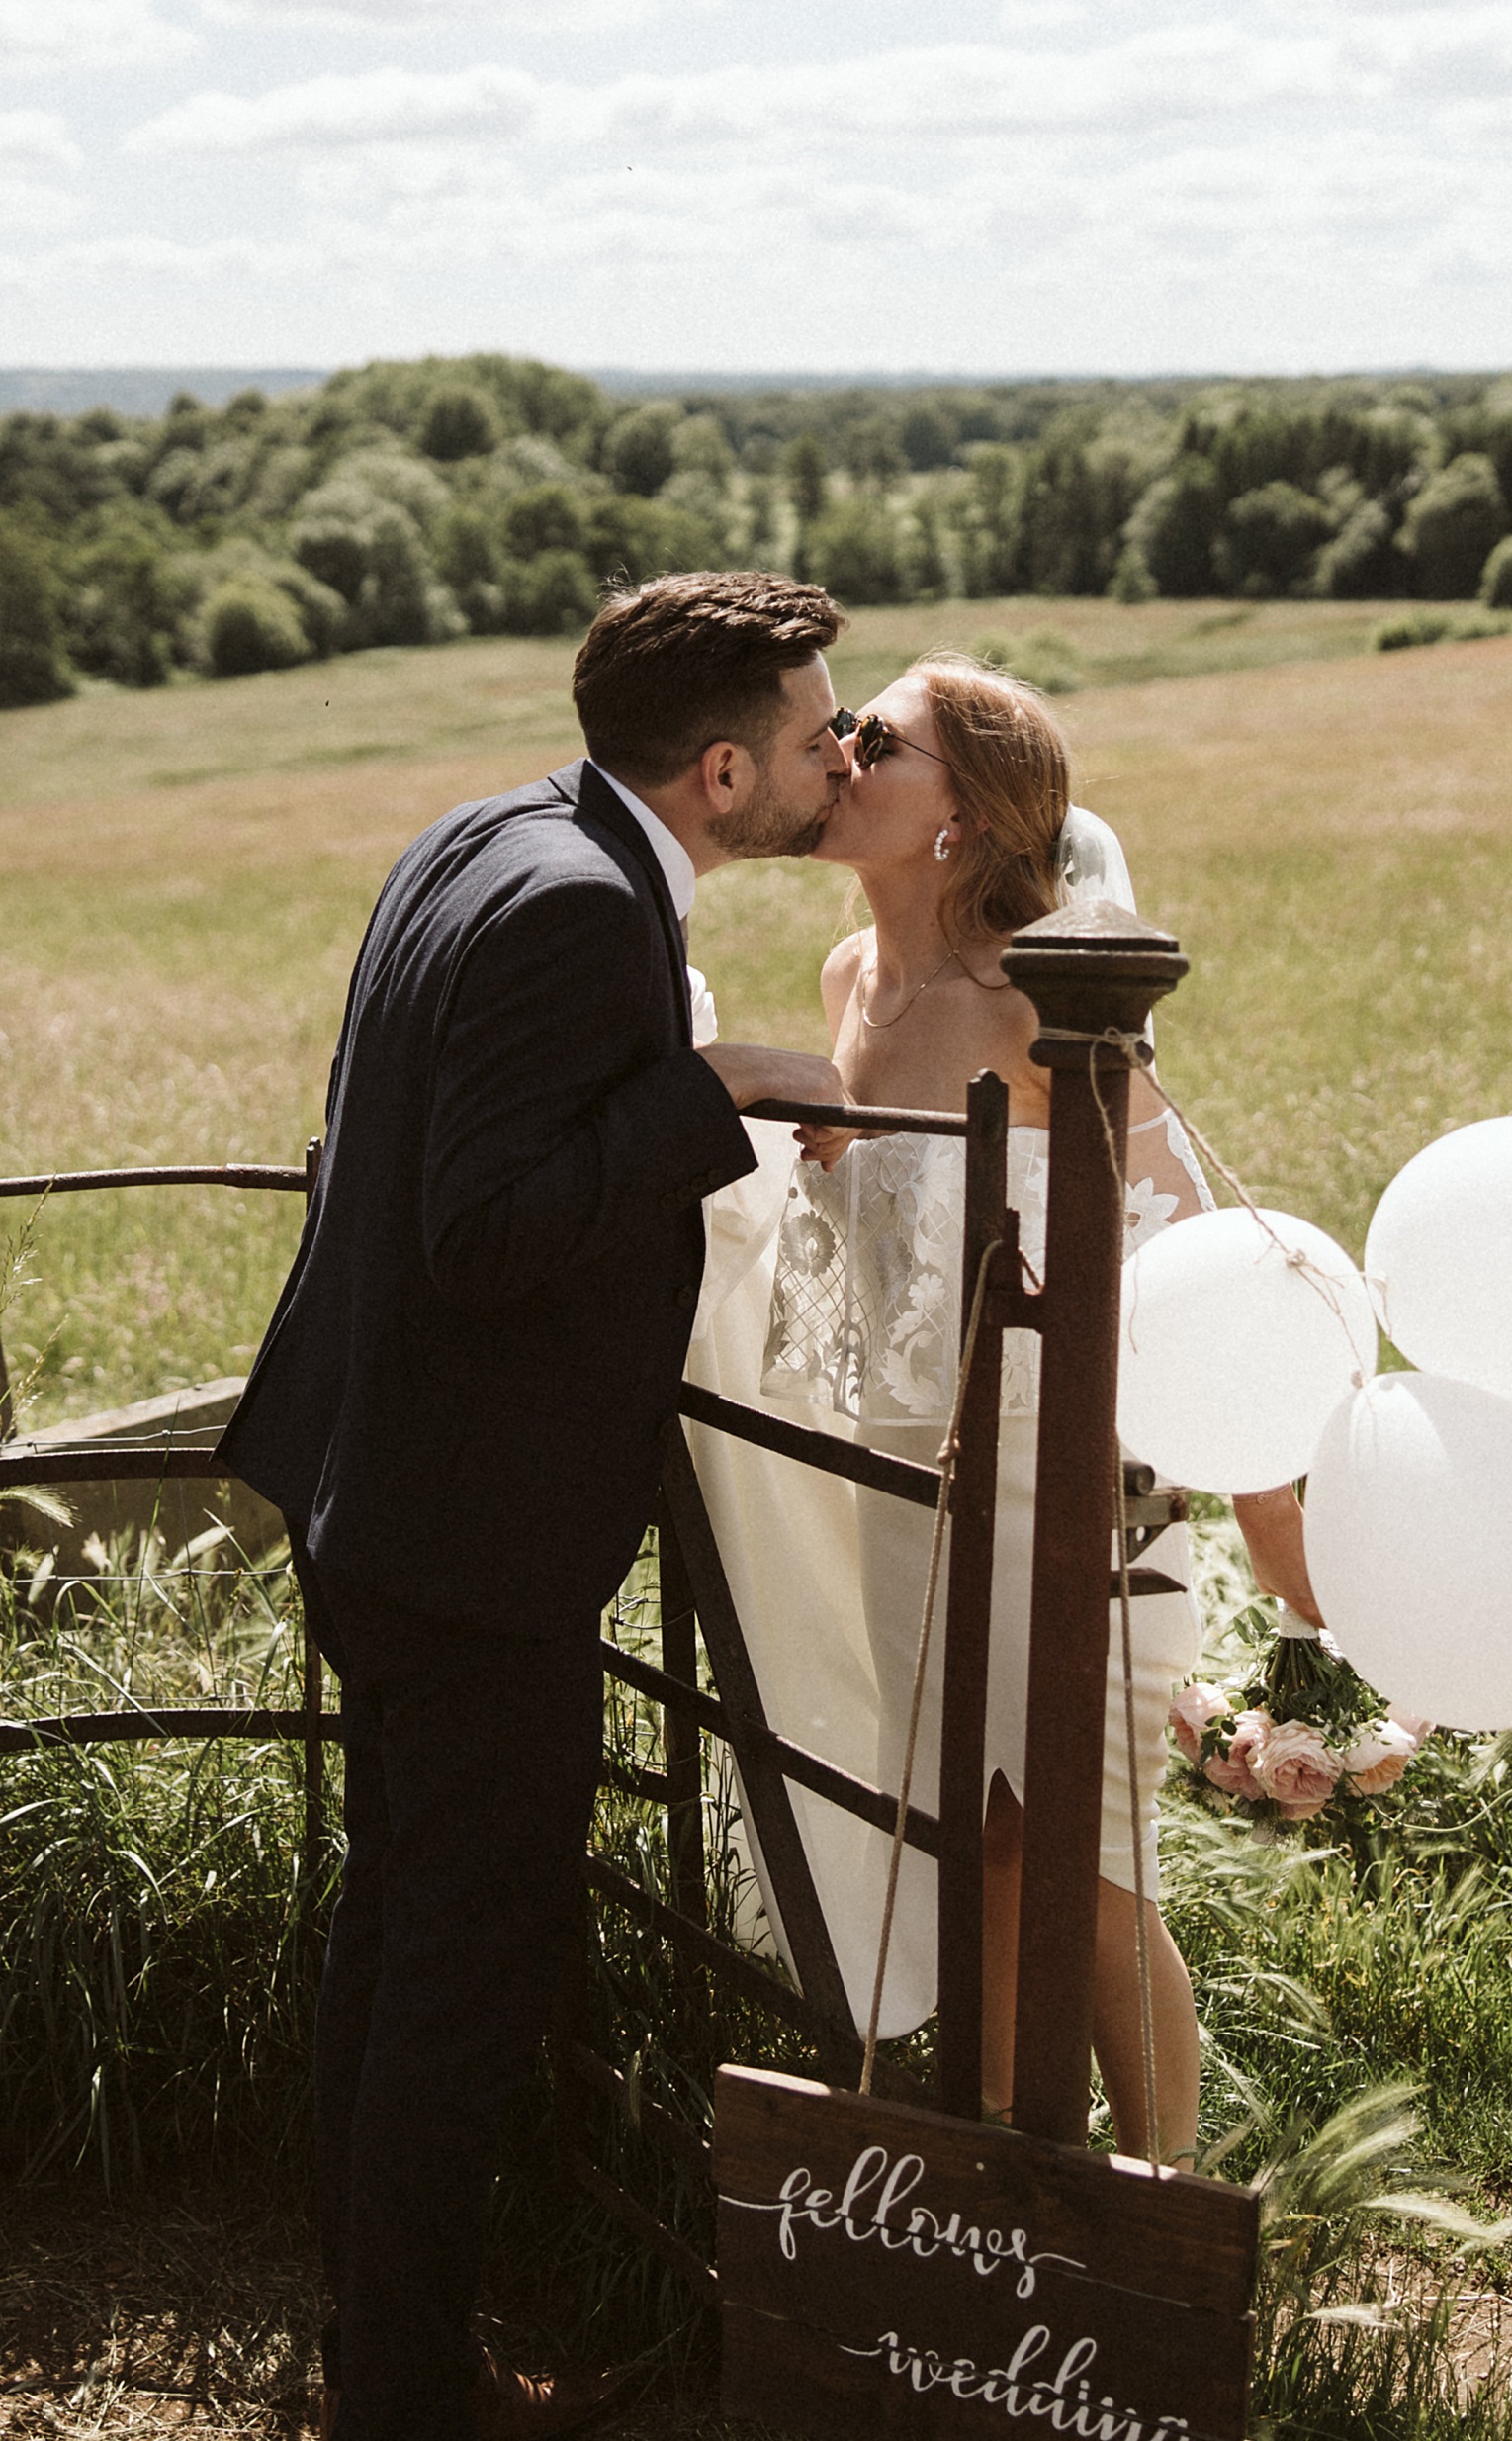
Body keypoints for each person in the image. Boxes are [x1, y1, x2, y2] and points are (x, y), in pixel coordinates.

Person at [218, 573, 853, 2441]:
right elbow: (481, 1230)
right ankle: (412, 2394)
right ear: (726, 770)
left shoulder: (492, 829)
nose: (841, 754)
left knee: (399, 1933)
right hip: (467, 1534)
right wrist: (711, 1087)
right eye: (820, 735)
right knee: (462, 1979)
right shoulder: (583, 911)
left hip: (379, 1487)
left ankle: (383, 2341)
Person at [687, 654, 1317, 2167]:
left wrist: (1289, 1566)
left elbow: (1173, 1256)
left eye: (876, 736)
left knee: (1089, 1868)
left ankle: (1164, 2210)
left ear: (960, 812)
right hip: (904, 1487)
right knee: (970, 1847)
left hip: (1070, 1483)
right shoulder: (850, 981)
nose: (836, 751)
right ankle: (990, 2188)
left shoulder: (1048, 998)